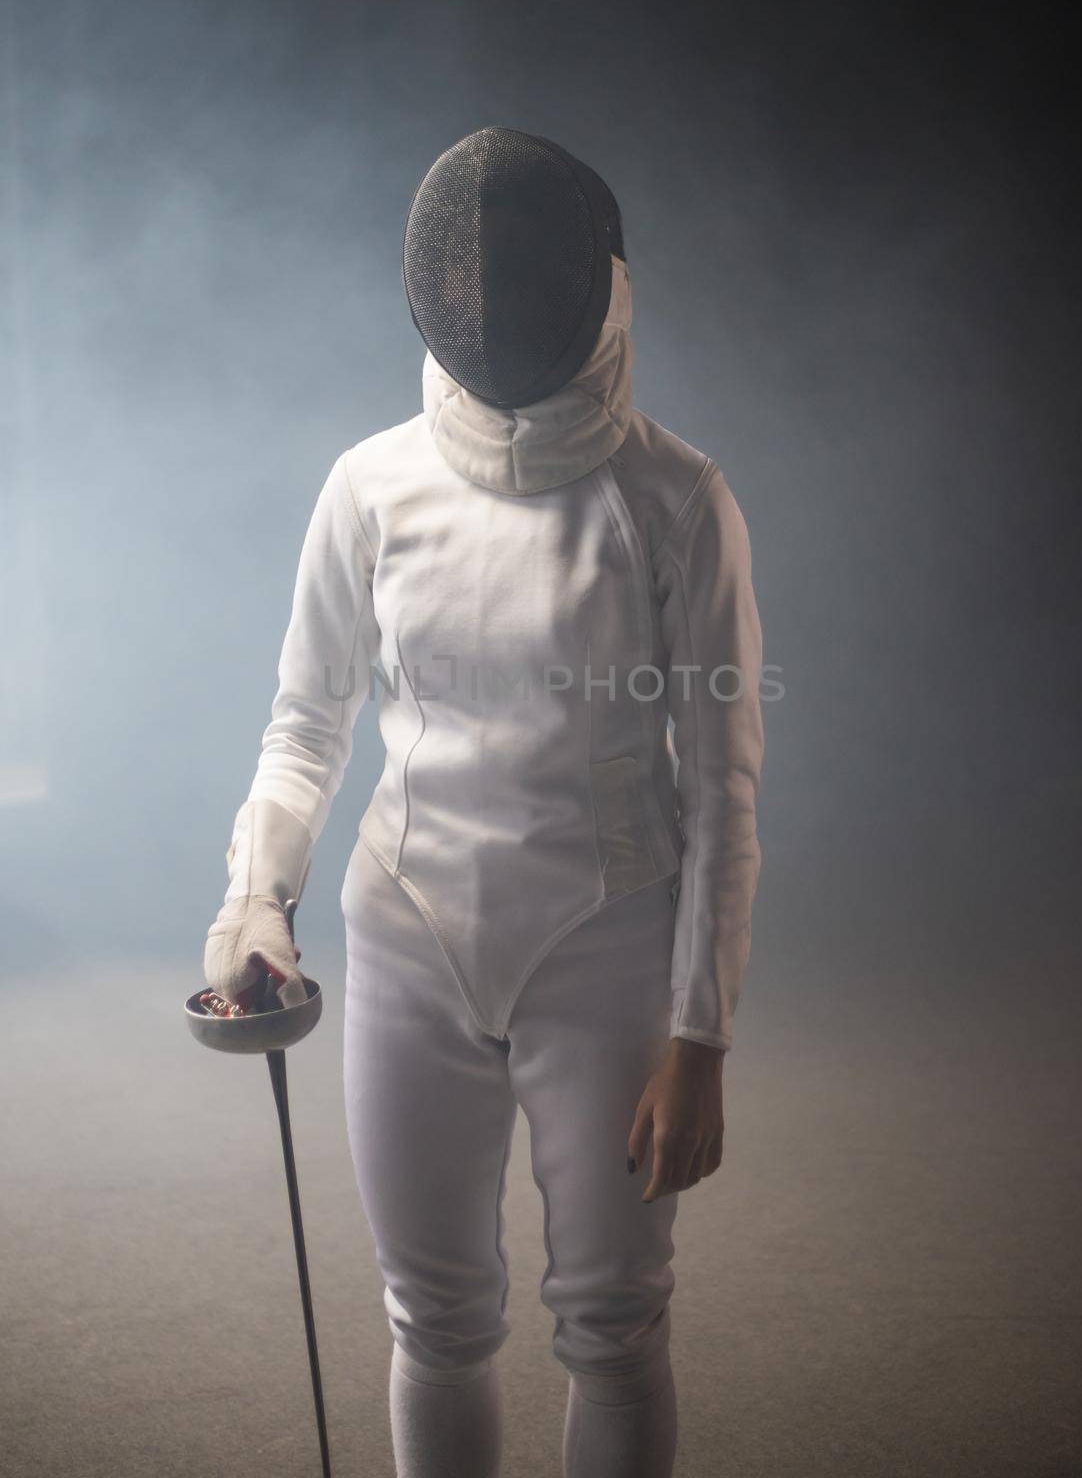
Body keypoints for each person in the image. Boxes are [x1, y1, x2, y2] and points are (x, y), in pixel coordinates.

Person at [203, 127, 765, 1478]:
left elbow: (725, 787)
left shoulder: (677, 500)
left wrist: (700, 1035)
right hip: (408, 942)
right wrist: (255, 896)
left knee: (614, 1325)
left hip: (610, 952)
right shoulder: (371, 485)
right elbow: (306, 720)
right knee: (435, 1320)